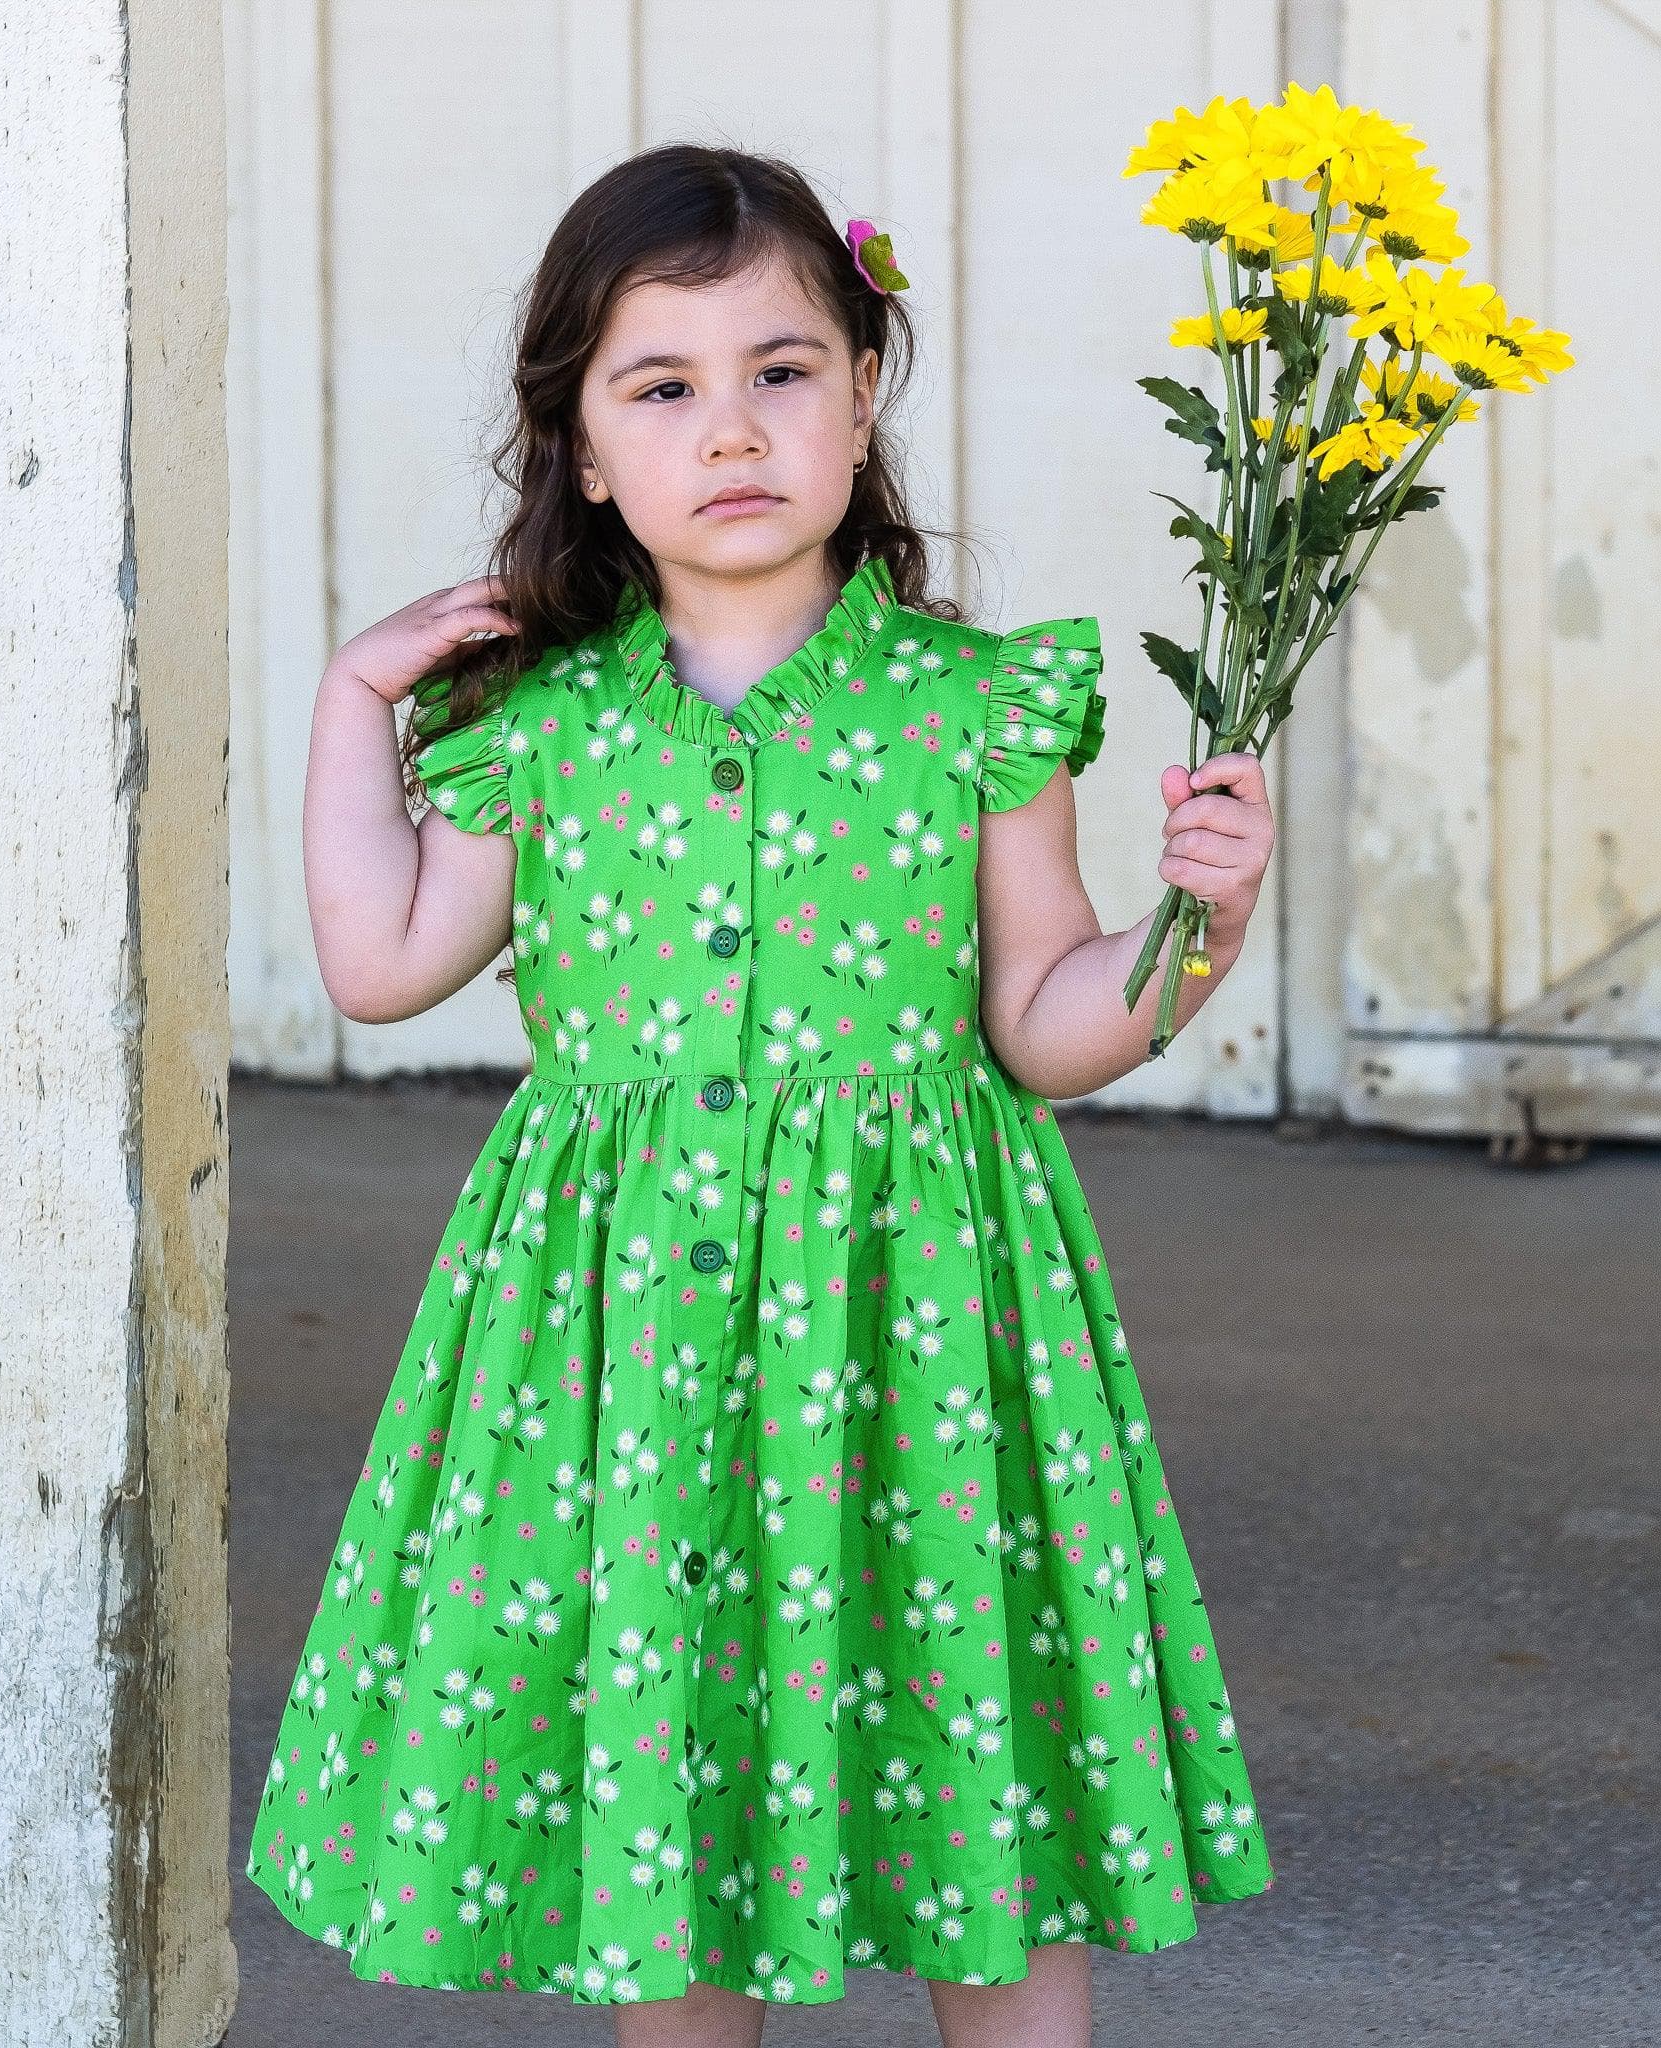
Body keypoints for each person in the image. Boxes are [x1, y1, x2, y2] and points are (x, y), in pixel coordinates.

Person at [244, 141, 1278, 2047]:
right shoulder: (532, 729)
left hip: (920, 1324)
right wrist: (347, 704)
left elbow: (1045, 1018)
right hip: (624, 1337)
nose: (730, 430)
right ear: (579, 448)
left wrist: (1191, 931)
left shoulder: (972, 706)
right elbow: (379, 966)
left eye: (781, 371)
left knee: (972, 1747)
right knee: (681, 1758)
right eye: (663, 388)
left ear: (864, 394)